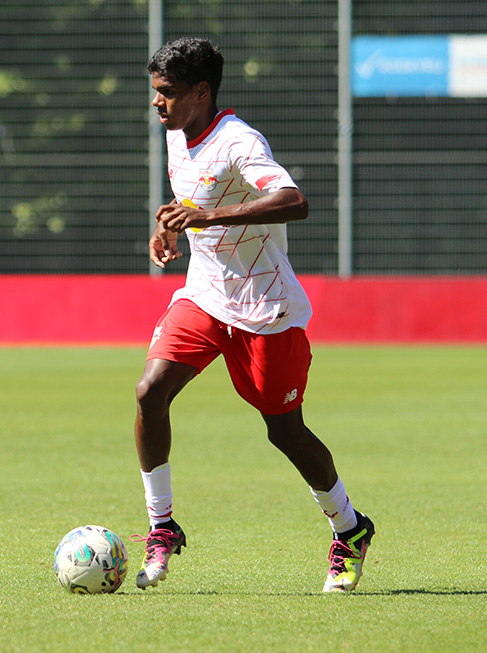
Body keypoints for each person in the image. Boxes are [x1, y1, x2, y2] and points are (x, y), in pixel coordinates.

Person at [133, 37, 374, 593]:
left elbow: (295, 200)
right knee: (150, 391)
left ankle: (349, 527)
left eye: (166, 93)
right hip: (204, 296)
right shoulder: (176, 135)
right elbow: (190, 205)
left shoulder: (239, 141)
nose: (157, 103)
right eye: (155, 92)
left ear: (201, 91)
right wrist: (168, 227)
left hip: (264, 307)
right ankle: (162, 527)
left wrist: (208, 215)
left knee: (284, 431)